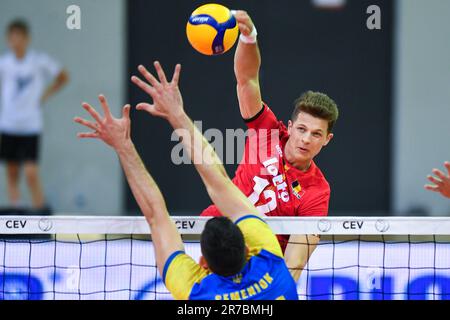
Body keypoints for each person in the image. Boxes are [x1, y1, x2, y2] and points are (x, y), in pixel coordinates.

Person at [75, 62, 298, 300]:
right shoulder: (272, 264)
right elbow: (217, 182)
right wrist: (177, 114)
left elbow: (156, 215)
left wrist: (123, 146)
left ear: (203, 264)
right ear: (246, 249)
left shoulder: (197, 292)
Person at [200, 10, 339, 282]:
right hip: (216, 245)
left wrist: (272, 293)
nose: (306, 139)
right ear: (290, 126)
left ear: (326, 140)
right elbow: (247, 80)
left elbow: (296, 261)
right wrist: (249, 36)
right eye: (301, 129)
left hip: (257, 271)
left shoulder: (316, 191)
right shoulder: (268, 132)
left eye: (315, 134)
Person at [0, 19, 69, 210]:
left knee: (31, 173)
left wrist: (45, 94)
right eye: (11, 38)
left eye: (19, 37)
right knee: (12, 172)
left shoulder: (38, 61)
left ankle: (40, 215)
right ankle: (16, 212)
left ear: (26, 39)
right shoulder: (4, 63)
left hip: (30, 126)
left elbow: (63, 76)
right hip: (8, 125)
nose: (15, 42)